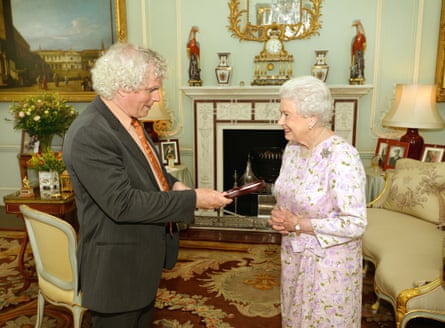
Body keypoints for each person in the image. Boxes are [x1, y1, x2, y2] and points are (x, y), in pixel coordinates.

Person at [62, 43, 232, 328]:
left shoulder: (130, 123)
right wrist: (192, 199)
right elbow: (123, 204)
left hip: (138, 266)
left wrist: (175, 186)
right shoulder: (91, 132)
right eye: (151, 89)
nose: (156, 98)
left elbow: (153, 174)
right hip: (116, 274)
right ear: (122, 87)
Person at [268, 76, 367, 327]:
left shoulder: (342, 157)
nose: (280, 121)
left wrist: (299, 224)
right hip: (294, 258)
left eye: (286, 114)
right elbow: (288, 197)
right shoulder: (292, 149)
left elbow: (355, 224)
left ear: (311, 118)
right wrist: (280, 216)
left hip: (329, 268)